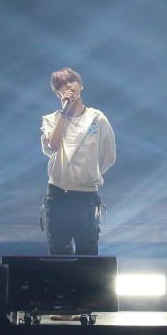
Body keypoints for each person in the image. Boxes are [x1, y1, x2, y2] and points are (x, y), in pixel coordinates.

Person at [40, 68, 116, 256]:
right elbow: (53, 146)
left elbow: (109, 155)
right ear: (57, 93)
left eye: (71, 81)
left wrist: (89, 173)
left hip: (86, 197)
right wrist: (63, 112)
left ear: (81, 85)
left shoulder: (97, 118)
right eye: (62, 85)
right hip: (58, 195)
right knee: (58, 253)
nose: (68, 86)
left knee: (88, 255)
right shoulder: (51, 119)